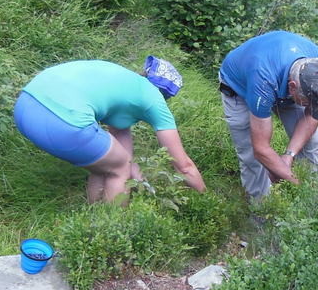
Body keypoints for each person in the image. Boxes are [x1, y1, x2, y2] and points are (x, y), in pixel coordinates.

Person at [13, 57, 206, 204]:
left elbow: (120, 146)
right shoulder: (154, 99)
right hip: (63, 120)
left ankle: (95, 215)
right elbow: (184, 166)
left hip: (25, 105)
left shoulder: (124, 82)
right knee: (118, 168)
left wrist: (136, 173)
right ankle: (113, 229)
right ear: (166, 94)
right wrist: (205, 199)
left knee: (105, 163)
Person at [218, 30, 318, 199]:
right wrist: (297, 184)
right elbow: (261, 149)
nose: (311, 108)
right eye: (307, 103)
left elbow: (313, 115)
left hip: (283, 81)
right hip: (240, 87)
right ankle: (262, 208)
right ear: (292, 87)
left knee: (312, 142)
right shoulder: (262, 81)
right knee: (251, 157)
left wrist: (289, 156)